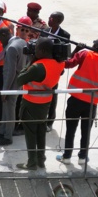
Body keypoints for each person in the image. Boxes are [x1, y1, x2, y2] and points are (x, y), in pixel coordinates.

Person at [57, 38, 98, 165]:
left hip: (76, 100)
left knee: (70, 130)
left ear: (97, 45)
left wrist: (76, 49)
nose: (92, 44)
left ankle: (66, 156)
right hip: (91, 103)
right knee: (85, 132)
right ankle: (82, 157)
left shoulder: (84, 54)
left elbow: (67, 63)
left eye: (94, 42)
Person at [14, 38, 65, 170]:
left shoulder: (37, 67)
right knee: (41, 133)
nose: (33, 51)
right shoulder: (59, 64)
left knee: (31, 135)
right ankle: (41, 160)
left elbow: (20, 79)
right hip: (45, 103)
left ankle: (31, 163)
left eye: (35, 49)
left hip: (31, 104)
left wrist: (31, 61)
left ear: (42, 51)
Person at [0, 19, 36, 146]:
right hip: (18, 82)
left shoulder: (11, 48)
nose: (1, 43)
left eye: (0, 40)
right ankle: (2, 132)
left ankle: (7, 136)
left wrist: (5, 91)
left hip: (12, 84)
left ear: (4, 35)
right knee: (6, 110)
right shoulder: (22, 42)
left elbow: (10, 72)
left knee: (9, 110)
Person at [45, 11, 71, 130]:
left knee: (52, 94)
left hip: (54, 68)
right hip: (43, 66)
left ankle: (49, 121)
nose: (49, 20)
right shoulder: (45, 31)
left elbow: (64, 54)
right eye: (49, 17)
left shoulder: (64, 35)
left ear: (58, 21)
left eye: (52, 18)